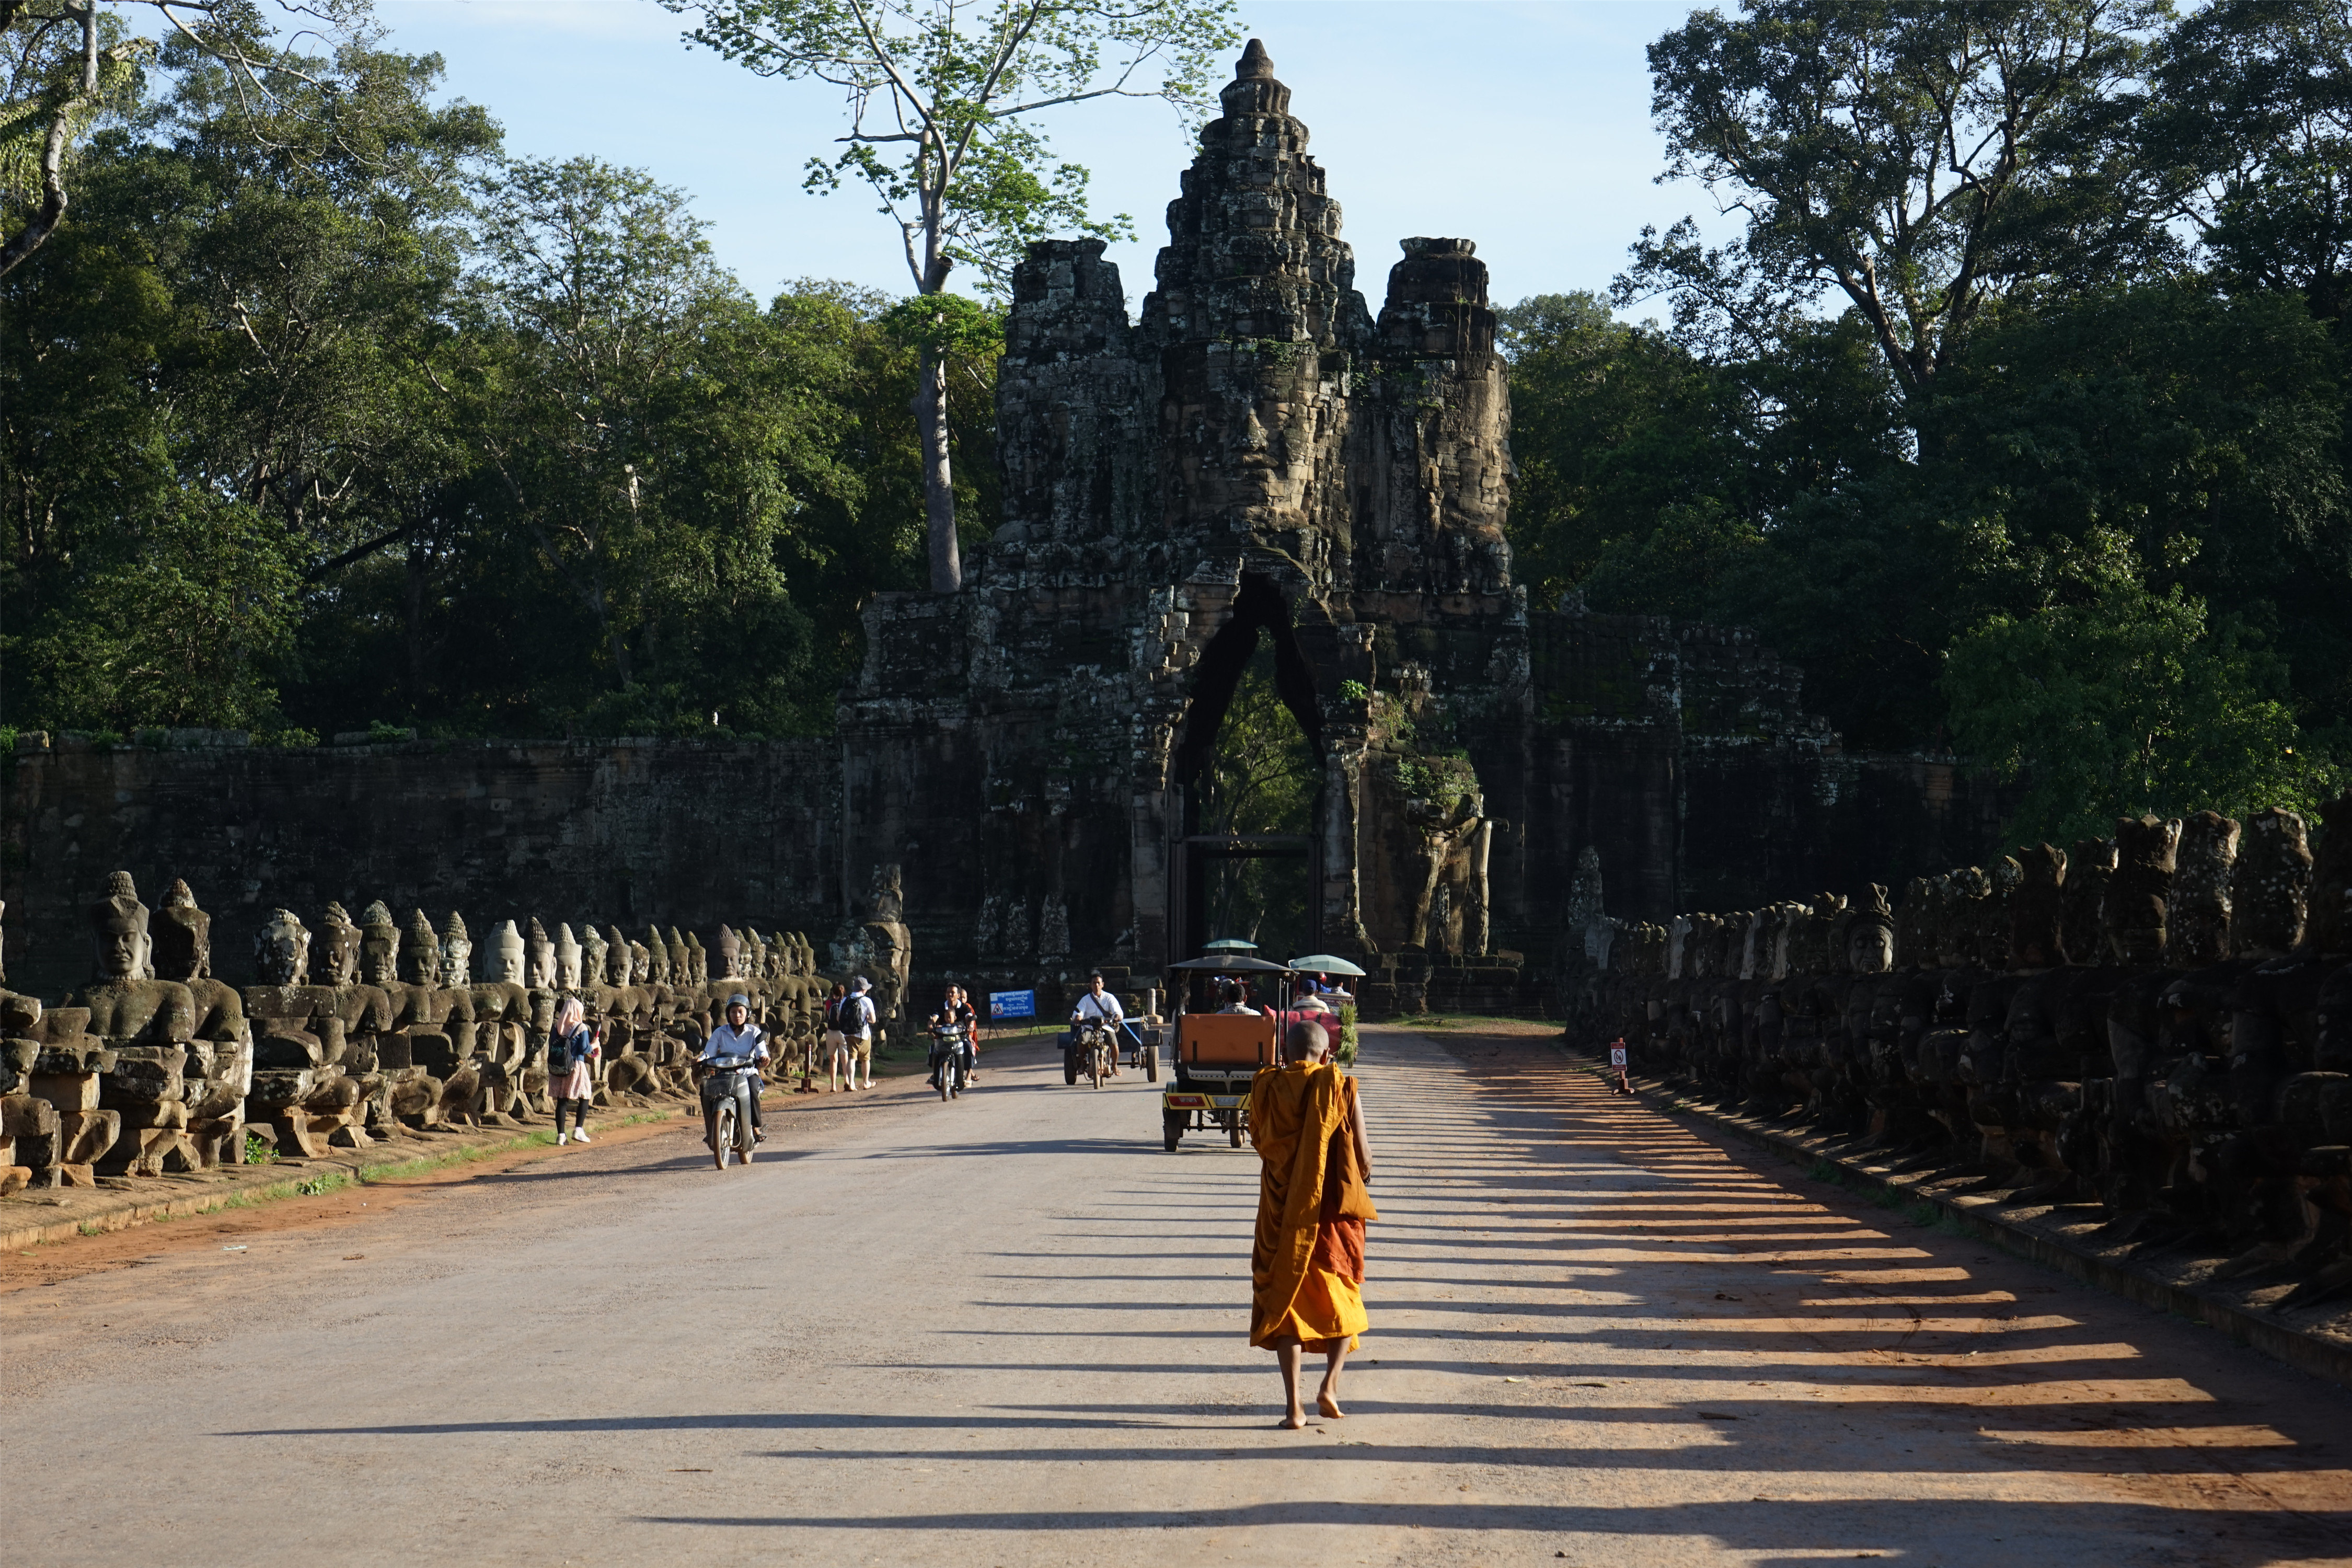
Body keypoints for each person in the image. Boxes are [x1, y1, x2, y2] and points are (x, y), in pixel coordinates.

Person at [1249, 1019, 1376, 1429]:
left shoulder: (1267, 1088)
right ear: (1326, 1056)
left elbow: (1258, 1139)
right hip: (1327, 1221)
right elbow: (1364, 1157)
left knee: (1287, 1308)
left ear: (1285, 1056)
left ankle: (1294, 1408)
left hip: (1282, 1215)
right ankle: (1330, 1386)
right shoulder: (1340, 1085)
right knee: (1345, 1304)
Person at [704, 994, 768, 1143]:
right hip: (724, 1074)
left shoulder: (754, 1032)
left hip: (747, 1074)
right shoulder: (720, 1032)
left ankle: (756, 1127)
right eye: (733, 1012)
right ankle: (711, 1130)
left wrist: (764, 1059)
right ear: (728, 1014)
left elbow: (762, 1052)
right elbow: (708, 1053)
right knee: (706, 1092)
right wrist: (700, 1059)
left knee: (752, 1090)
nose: (737, 1015)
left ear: (748, 1014)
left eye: (741, 1012)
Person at [549, 996, 602, 1146]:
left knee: (562, 1100)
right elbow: (584, 1049)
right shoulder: (581, 1027)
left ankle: (561, 1136)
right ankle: (579, 1129)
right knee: (585, 1094)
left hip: (558, 1066)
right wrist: (595, 1045)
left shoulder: (557, 1027)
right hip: (576, 1065)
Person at [1070, 972, 1125, 1076]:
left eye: (1098, 983)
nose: (1096, 985)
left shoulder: (1110, 998)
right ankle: (1083, 1065)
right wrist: (1078, 1016)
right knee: (1081, 1041)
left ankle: (1114, 1066)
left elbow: (1117, 1011)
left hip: (1106, 1028)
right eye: (1094, 983)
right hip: (1089, 1028)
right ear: (1090, 985)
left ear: (1103, 984)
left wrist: (1117, 1015)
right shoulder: (1085, 999)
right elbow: (1078, 1011)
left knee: (1114, 1045)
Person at [928, 985, 976, 1089]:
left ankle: (968, 1071)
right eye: (948, 992)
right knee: (933, 1049)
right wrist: (931, 1023)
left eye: (953, 992)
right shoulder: (941, 1007)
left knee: (968, 1047)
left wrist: (971, 1024)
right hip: (943, 1037)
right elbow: (935, 1017)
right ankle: (935, 1073)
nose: (950, 994)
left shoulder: (964, 1007)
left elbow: (969, 1016)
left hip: (960, 1036)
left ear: (958, 995)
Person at [847, 976, 878, 1089]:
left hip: (848, 1033)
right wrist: (866, 1018)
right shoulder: (867, 1001)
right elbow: (873, 1020)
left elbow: (839, 1018)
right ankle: (866, 1082)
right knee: (865, 1059)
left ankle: (851, 1083)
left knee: (851, 1058)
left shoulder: (846, 1000)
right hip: (863, 1034)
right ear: (864, 989)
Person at [824, 981, 852, 1092]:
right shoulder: (845, 1002)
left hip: (831, 1032)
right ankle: (847, 1081)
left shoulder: (829, 1003)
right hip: (842, 1032)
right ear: (843, 991)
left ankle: (833, 1086)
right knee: (845, 1059)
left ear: (833, 993)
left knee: (833, 1060)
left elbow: (828, 1015)